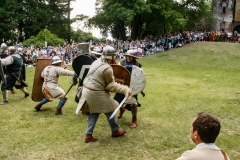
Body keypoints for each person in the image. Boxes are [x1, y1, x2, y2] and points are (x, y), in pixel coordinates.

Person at [77, 45, 132, 143]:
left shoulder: (96, 62)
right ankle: (115, 131)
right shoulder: (107, 68)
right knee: (110, 109)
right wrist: (126, 90)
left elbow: (101, 79)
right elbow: (111, 86)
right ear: (112, 57)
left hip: (87, 90)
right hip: (95, 92)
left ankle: (88, 135)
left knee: (94, 112)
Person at [114, 49, 142, 129]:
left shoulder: (138, 65)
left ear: (134, 57)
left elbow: (140, 78)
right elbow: (116, 74)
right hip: (122, 86)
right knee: (115, 102)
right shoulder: (121, 63)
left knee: (133, 104)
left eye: (131, 56)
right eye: (127, 56)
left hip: (131, 87)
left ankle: (134, 120)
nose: (129, 58)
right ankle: (122, 109)